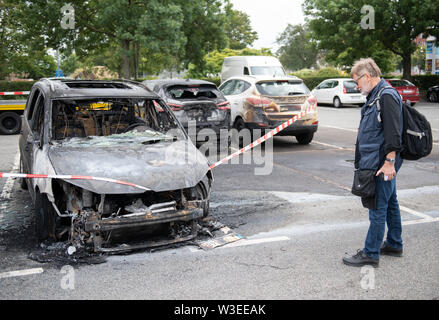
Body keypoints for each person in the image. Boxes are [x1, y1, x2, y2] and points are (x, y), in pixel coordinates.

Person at [343, 58, 404, 268]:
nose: (356, 86)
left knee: (377, 206)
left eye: (357, 82)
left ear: (366, 76)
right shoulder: (376, 95)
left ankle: (370, 253)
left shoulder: (385, 96)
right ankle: (395, 243)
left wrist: (389, 162)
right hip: (378, 161)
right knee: (390, 202)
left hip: (382, 163)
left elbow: (394, 133)